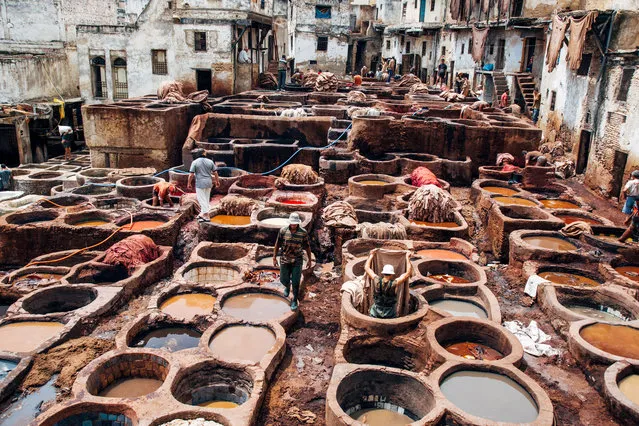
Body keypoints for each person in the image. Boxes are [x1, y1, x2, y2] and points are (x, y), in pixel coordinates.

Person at [273, 212, 312, 311]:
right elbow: (277, 244)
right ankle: (287, 285)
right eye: (292, 223)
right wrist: (274, 258)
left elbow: (307, 246)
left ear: (298, 223)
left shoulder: (303, 232)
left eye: (295, 223)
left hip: (297, 260)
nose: (293, 225)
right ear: (289, 222)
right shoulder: (283, 231)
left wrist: (309, 260)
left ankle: (294, 300)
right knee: (283, 279)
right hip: (284, 259)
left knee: (296, 281)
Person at [364, 249, 413, 319]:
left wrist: (371, 255)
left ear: (383, 273)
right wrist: (407, 258)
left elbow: (367, 268)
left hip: (375, 311)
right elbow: (407, 273)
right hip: (390, 313)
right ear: (392, 274)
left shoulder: (376, 280)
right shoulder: (394, 283)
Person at [187, 149, 220, 222]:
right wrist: (217, 181)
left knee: (201, 199)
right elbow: (215, 172)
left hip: (200, 183)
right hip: (209, 182)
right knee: (206, 198)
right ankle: (202, 213)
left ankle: (206, 215)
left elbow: (191, 174)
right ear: (204, 154)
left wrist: (189, 183)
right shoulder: (210, 161)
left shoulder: (195, 162)